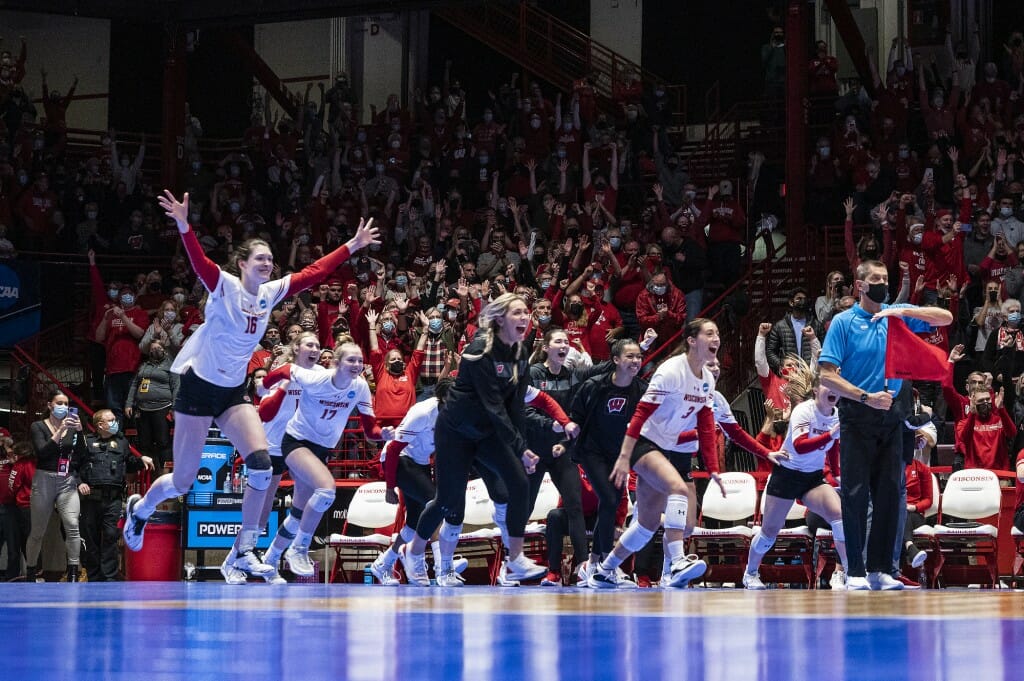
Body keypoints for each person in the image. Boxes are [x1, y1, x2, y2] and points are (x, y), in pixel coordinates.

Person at [123, 190, 380, 585]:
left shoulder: (270, 293)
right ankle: (140, 510)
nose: (267, 263)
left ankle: (244, 549)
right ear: (242, 263)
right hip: (196, 388)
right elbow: (200, 263)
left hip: (230, 392)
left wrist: (352, 245)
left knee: (261, 465)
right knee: (183, 481)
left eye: (270, 259)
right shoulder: (224, 285)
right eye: (259, 258)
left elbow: (313, 273)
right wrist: (183, 225)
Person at [398, 293, 552, 587]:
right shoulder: (480, 349)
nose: (525, 317)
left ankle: (515, 560)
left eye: (526, 312)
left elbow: (515, 406)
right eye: (517, 312)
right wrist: (519, 447)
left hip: (486, 432)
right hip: (455, 432)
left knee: (519, 483)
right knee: (446, 502)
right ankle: (413, 551)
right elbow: (493, 405)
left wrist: (523, 448)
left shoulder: (520, 351)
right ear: (499, 318)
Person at [818, 260, 952, 590]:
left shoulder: (895, 316)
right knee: (855, 494)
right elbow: (826, 376)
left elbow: (945, 318)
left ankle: (881, 570)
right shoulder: (843, 322)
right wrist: (865, 397)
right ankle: (856, 572)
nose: (882, 284)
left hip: (892, 420)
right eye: (876, 279)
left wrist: (906, 314)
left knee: (890, 495)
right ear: (860, 285)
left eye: (885, 279)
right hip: (857, 417)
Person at [588, 318, 724, 589]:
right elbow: (639, 415)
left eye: (718, 333)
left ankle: (604, 570)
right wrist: (625, 456)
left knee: (646, 524)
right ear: (692, 340)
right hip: (643, 443)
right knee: (679, 489)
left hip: (665, 448)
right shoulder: (671, 371)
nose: (716, 338)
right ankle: (677, 562)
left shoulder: (707, 379)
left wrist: (713, 468)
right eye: (709, 333)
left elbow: (707, 426)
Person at [259, 341, 394, 577]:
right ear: (337, 363)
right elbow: (285, 370)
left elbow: (370, 428)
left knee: (298, 513)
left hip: (322, 449)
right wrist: (263, 385)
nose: (357, 365)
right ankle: (299, 548)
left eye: (360, 361)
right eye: (351, 360)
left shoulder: (360, 387)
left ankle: (270, 557)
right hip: (296, 442)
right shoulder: (318, 379)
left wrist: (382, 434)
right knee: (326, 489)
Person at [741, 360, 849, 590]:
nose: (834, 391)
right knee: (770, 532)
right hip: (787, 475)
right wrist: (831, 434)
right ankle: (750, 572)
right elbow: (800, 446)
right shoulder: (803, 411)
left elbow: (833, 449)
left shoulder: (837, 414)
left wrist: (837, 475)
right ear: (816, 390)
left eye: (836, 386)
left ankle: (849, 574)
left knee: (840, 517)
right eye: (828, 385)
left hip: (812, 478)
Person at [78, 409, 154, 582]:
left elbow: (129, 464)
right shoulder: (86, 442)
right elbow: (74, 466)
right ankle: (94, 576)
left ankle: (110, 577)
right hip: (90, 498)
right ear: (100, 425)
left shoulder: (121, 443)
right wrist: (79, 483)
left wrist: (141, 459)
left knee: (111, 537)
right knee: (91, 538)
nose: (115, 423)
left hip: (113, 498)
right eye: (110, 420)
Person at [27, 390, 86, 582]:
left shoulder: (72, 427)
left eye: (66, 404)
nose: (63, 407)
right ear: (49, 405)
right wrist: (60, 431)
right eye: (59, 403)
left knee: (72, 525)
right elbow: (42, 452)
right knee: (37, 531)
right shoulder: (38, 426)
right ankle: (31, 570)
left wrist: (79, 431)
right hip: (44, 478)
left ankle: (74, 571)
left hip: (66, 480)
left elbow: (80, 454)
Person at [125, 340, 178, 470]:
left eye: (158, 348)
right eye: (152, 349)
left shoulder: (171, 366)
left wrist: (175, 408)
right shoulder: (144, 366)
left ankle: (165, 472)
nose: (155, 351)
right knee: (144, 442)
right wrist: (129, 403)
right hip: (143, 408)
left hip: (162, 407)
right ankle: (147, 472)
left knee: (163, 442)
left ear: (164, 350)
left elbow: (177, 387)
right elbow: (134, 384)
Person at [0, 440, 34, 581]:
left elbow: (13, 485)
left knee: (17, 543)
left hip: (16, 506)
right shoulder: (12, 463)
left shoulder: (22, 464)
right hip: (10, 505)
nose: (10, 453)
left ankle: (14, 575)